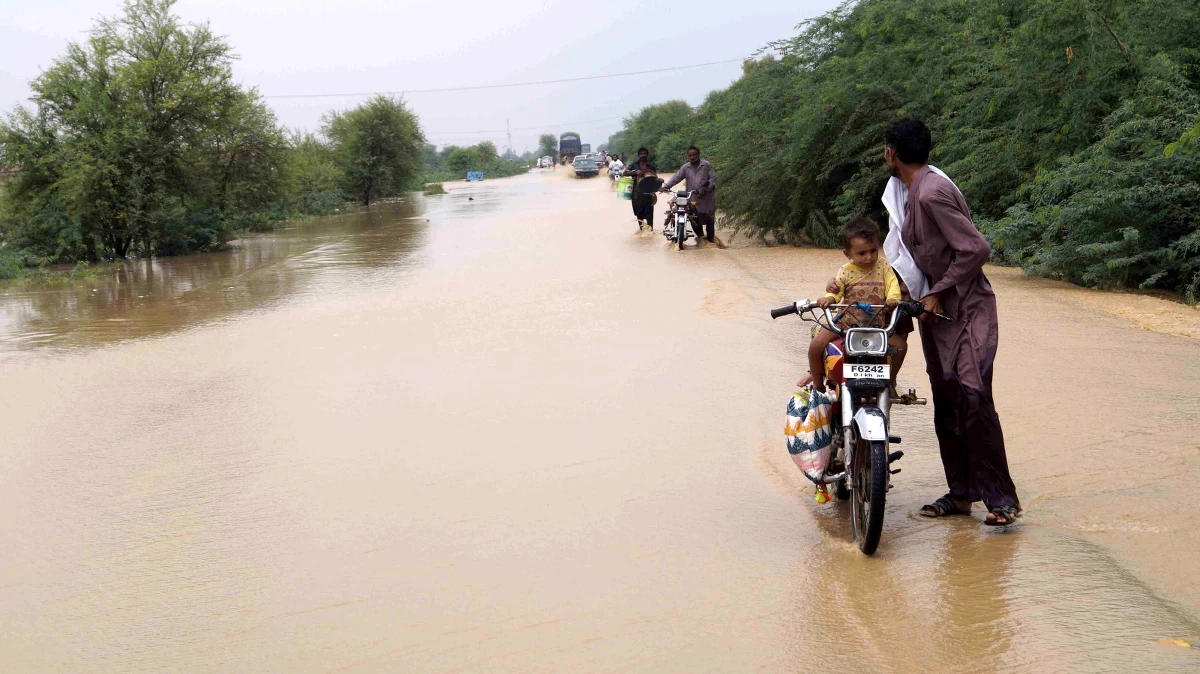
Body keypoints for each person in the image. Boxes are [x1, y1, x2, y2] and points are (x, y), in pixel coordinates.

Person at [883, 117, 1021, 526]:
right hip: (936, 312)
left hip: (968, 306)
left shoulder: (932, 192)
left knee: (973, 395)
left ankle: (1002, 500)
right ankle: (961, 494)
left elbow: (976, 249)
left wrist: (938, 289)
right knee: (947, 398)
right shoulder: (909, 192)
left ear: (893, 153)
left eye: (884, 149)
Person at [800, 218, 904, 393]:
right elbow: (836, 290)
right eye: (862, 253)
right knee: (815, 346)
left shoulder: (884, 266)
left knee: (901, 346)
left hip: (877, 326)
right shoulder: (845, 270)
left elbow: (893, 284)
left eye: (873, 250)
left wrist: (893, 298)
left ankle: (890, 382)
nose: (869, 256)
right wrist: (829, 299)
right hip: (845, 324)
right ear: (847, 254)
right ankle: (818, 386)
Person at [661, 146, 718, 243]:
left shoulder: (706, 165)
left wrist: (705, 188)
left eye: (694, 155)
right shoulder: (685, 167)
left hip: (707, 199)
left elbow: (713, 179)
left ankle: (711, 242)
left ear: (698, 155)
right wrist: (666, 186)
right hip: (692, 198)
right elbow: (676, 177)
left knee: (709, 221)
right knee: (694, 221)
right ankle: (702, 241)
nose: (692, 157)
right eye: (690, 155)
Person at [625, 147, 659, 230]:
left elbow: (655, 178)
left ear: (647, 154)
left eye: (644, 153)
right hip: (637, 194)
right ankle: (642, 231)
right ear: (638, 155)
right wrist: (635, 172)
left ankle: (650, 231)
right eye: (641, 154)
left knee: (649, 215)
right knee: (639, 215)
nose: (643, 155)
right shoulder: (634, 165)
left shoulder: (651, 166)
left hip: (648, 194)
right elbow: (624, 172)